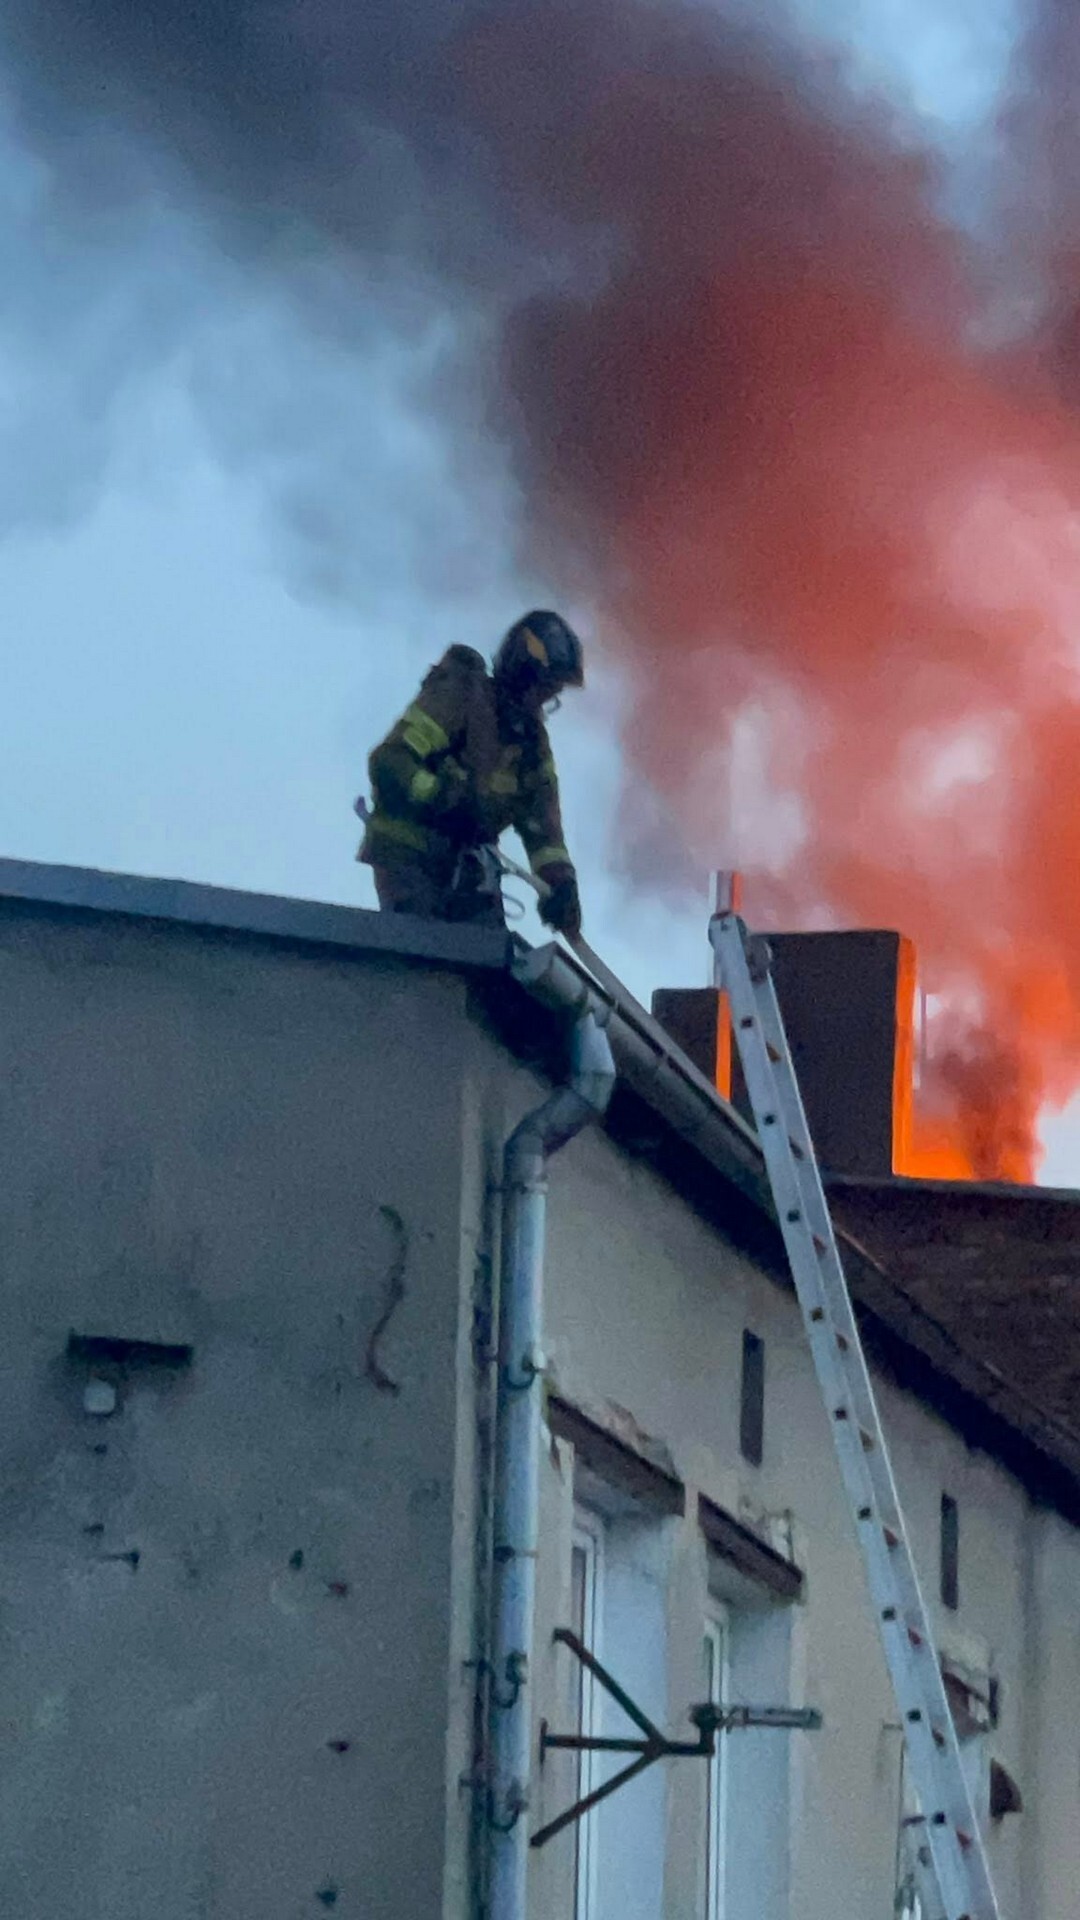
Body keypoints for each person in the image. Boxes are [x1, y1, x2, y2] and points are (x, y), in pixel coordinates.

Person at [357, 610, 584, 936]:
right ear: (523, 672)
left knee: (488, 962)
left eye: (554, 691)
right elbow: (390, 761)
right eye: (546, 687)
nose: (548, 698)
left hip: (467, 865)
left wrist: (561, 884)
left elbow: (544, 829)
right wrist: (441, 798)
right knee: (425, 955)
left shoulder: (533, 745)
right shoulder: (459, 696)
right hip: (408, 857)